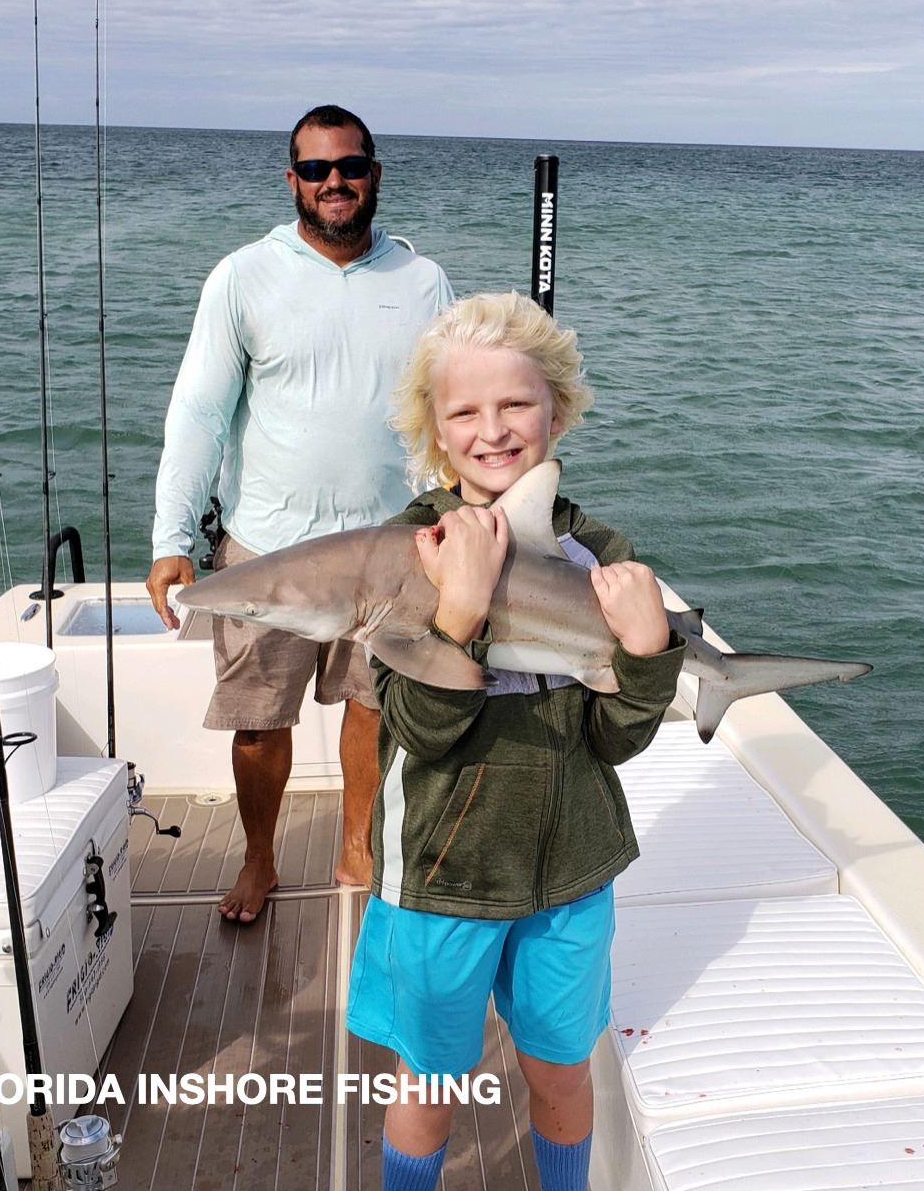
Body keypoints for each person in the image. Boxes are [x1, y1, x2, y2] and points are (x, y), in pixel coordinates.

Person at [346, 292, 686, 1190]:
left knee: (561, 1076)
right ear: (434, 430)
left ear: (556, 412)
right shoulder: (402, 552)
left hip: (570, 874)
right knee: (429, 1085)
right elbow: (420, 733)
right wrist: (455, 615)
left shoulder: (597, 555)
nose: (492, 429)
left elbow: (615, 740)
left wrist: (648, 657)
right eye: (464, 411)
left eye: (515, 404)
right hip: (440, 878)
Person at [146, 105, 453, 919]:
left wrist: (464, 514)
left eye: (348, 166)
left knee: (374, 707)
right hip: (267, 553)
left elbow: (449, 412)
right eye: (316, 170)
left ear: (374, 173)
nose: (334, 182)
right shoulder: (243, 276)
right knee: (256, 723)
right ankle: (258, 859)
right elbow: (199, 413)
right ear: (293, 181)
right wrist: (172, 537)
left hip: (389, 550)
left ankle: (358, 845)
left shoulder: (424, 281)